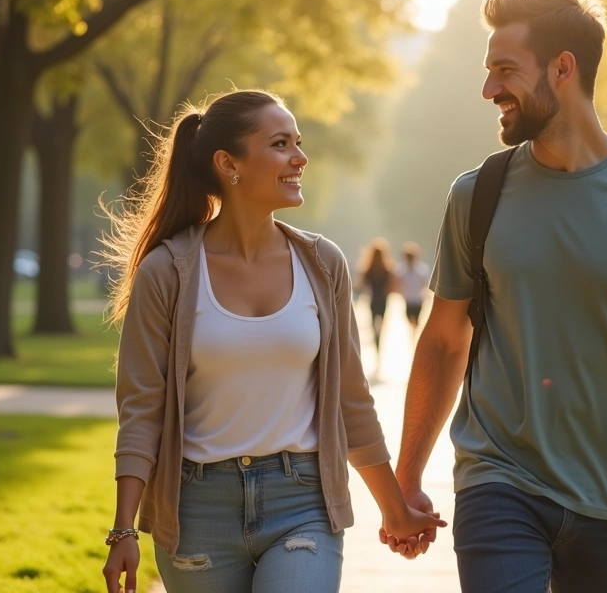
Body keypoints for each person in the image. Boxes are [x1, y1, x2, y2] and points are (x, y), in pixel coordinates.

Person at [391, 0, 607, 592]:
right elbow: (443, 341)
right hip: (498, 479)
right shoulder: (477, 195)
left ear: (562, 68)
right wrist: (407, 476)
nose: (488, 89)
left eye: (505, 70)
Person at [99, 90, 443, 593]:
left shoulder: (323, 264)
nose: (300, 157)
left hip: (301, 502)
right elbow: (141, 410)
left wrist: (395, 509)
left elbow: (351, 401)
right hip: (198, 511)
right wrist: (124, 529)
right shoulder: (167, 272)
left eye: (298, 143)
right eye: (281, 144)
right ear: (228, 164)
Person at [356, 238, 397, 353]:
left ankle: (376, 345)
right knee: (382, 323)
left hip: (373, 299)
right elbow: (392, 286)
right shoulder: (387, 269)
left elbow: (362, 285)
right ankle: (379, 343)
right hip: (383, 299)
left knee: (373, 322)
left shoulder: (369, 269)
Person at [397, 242, 431, 332]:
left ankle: (415, 333)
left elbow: (425, 284)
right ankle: (414, 332)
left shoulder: (421, 269)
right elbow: (398, 283)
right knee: (409, 319)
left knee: (416, 319)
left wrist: (427, 296)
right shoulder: (401, 269)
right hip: (407, 299)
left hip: (418, 299)